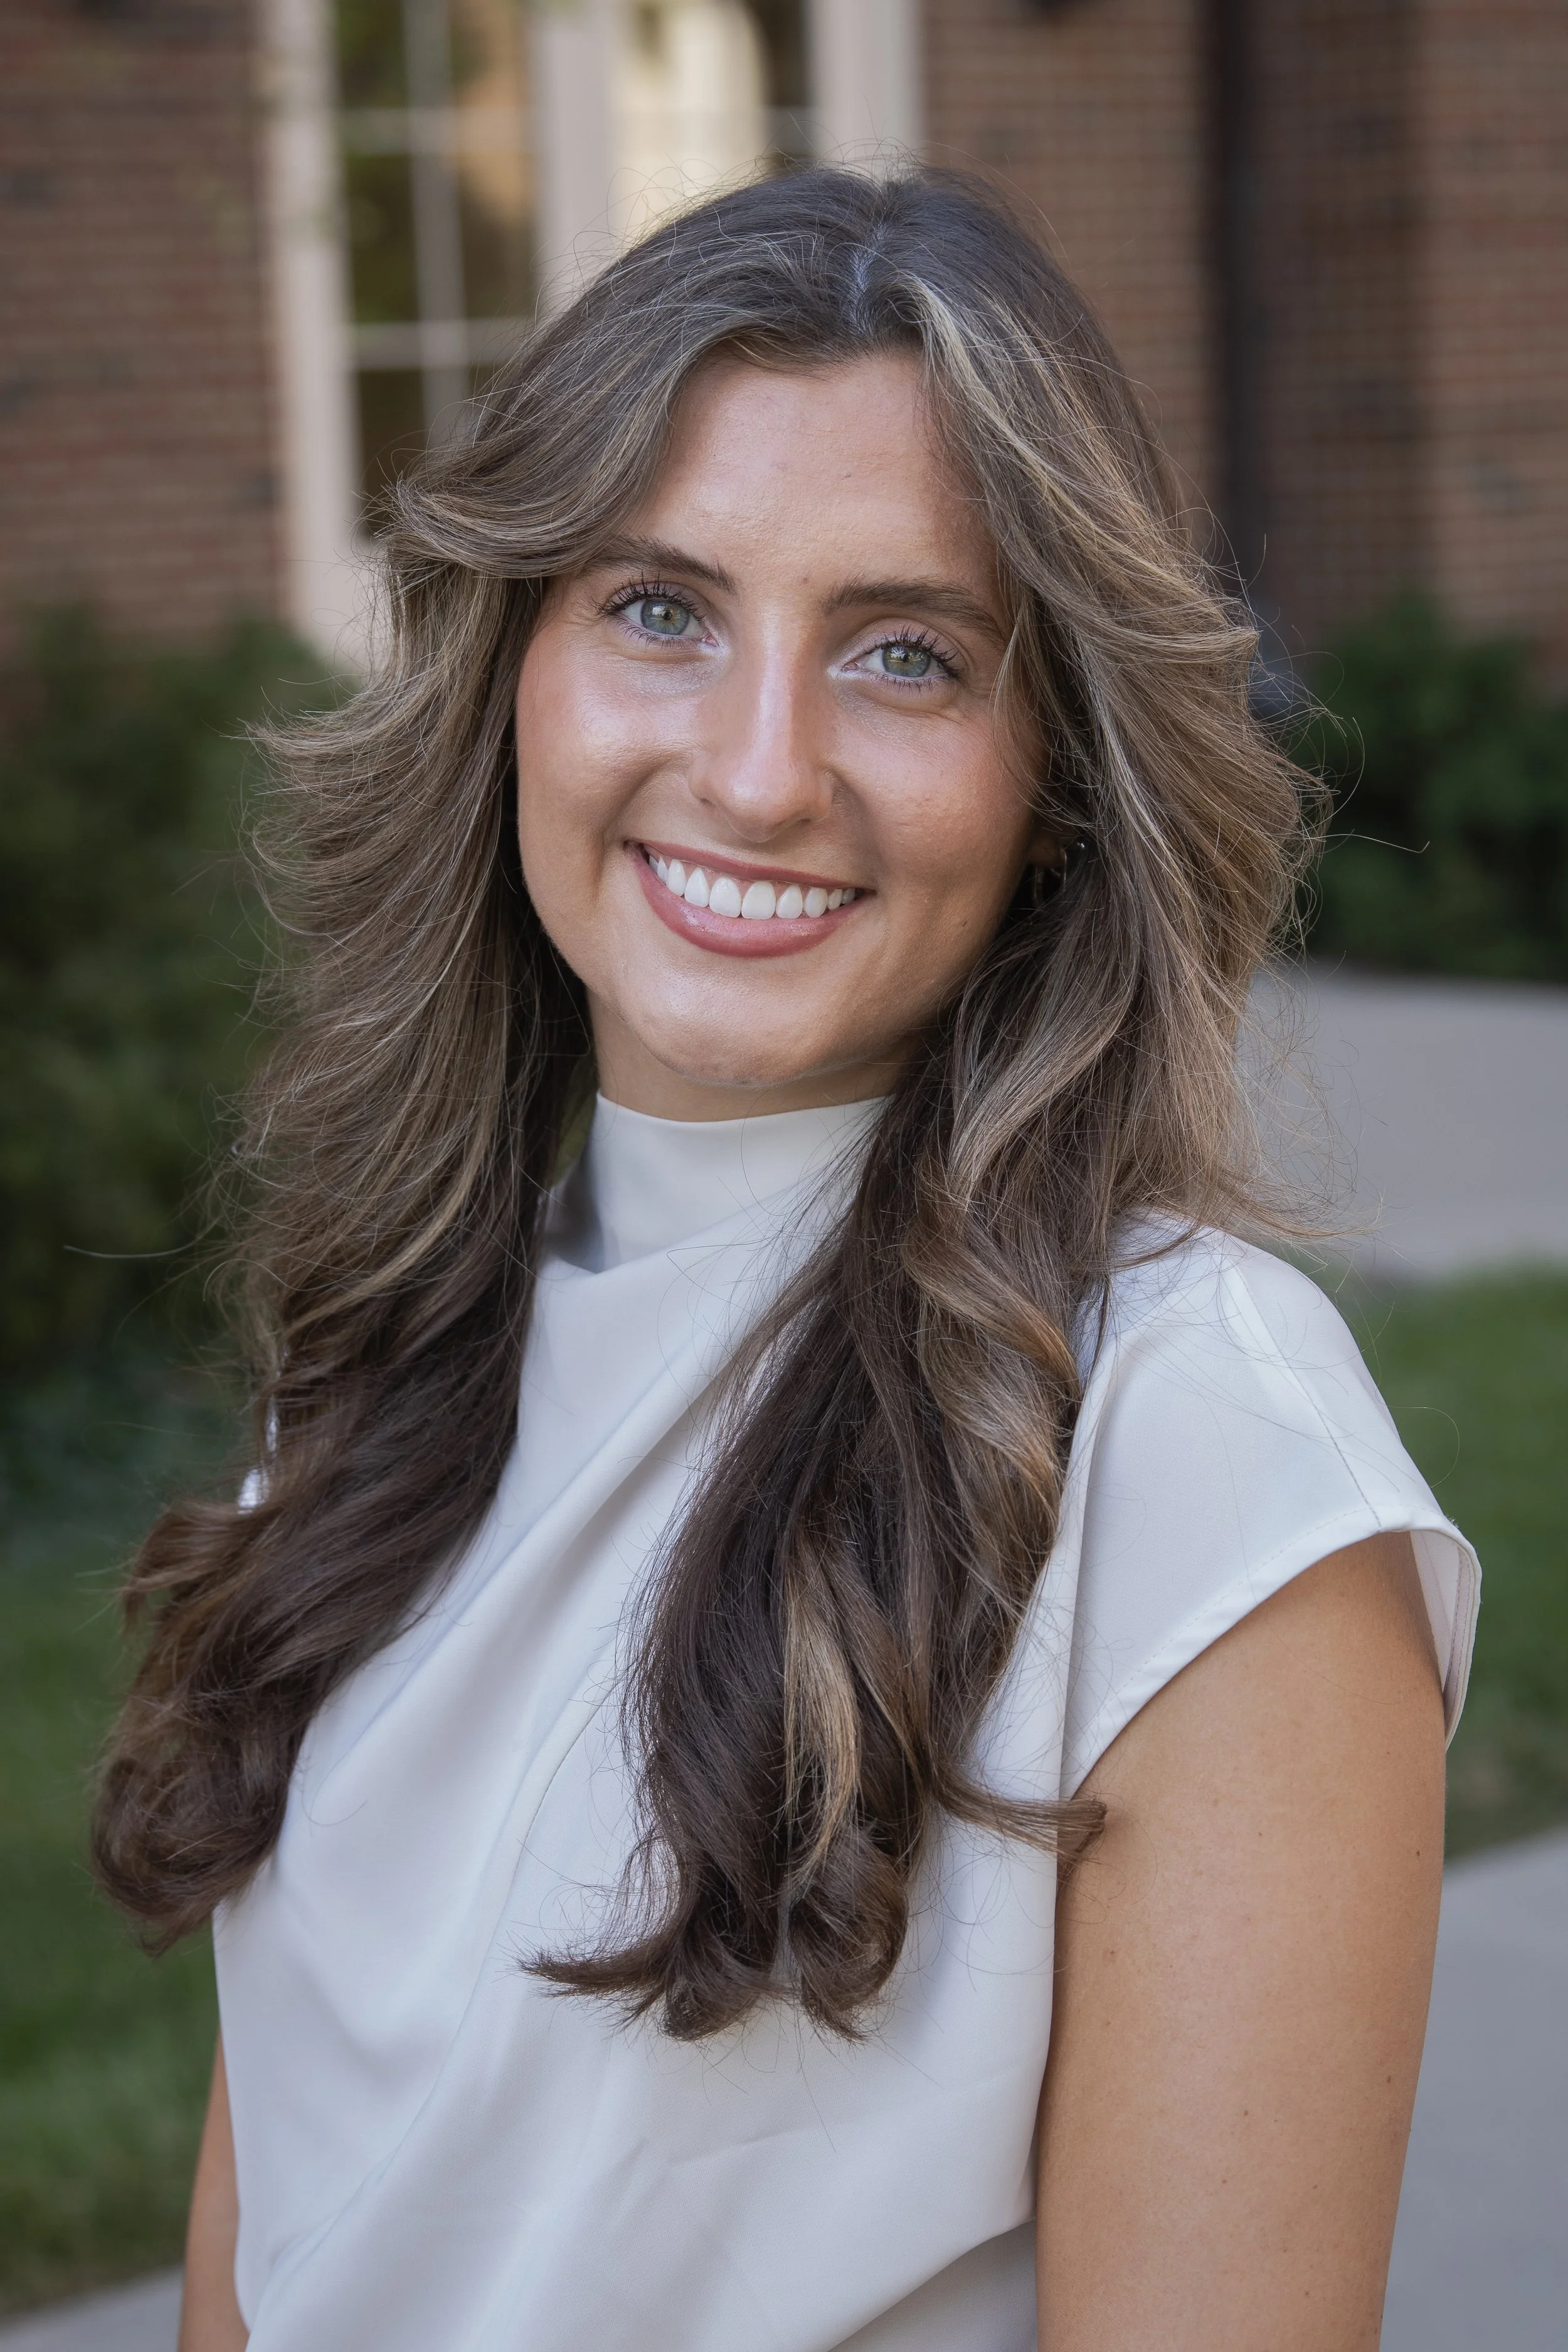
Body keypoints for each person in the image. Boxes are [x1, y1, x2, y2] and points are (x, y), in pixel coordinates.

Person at [95, 167, 1477, 2352]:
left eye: (904, 653)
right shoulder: (395, 1353)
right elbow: (282, 2247)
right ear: (510, 677)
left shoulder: (1200, 1453)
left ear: (1062, 785)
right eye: (658, 609)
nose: (754, 771)